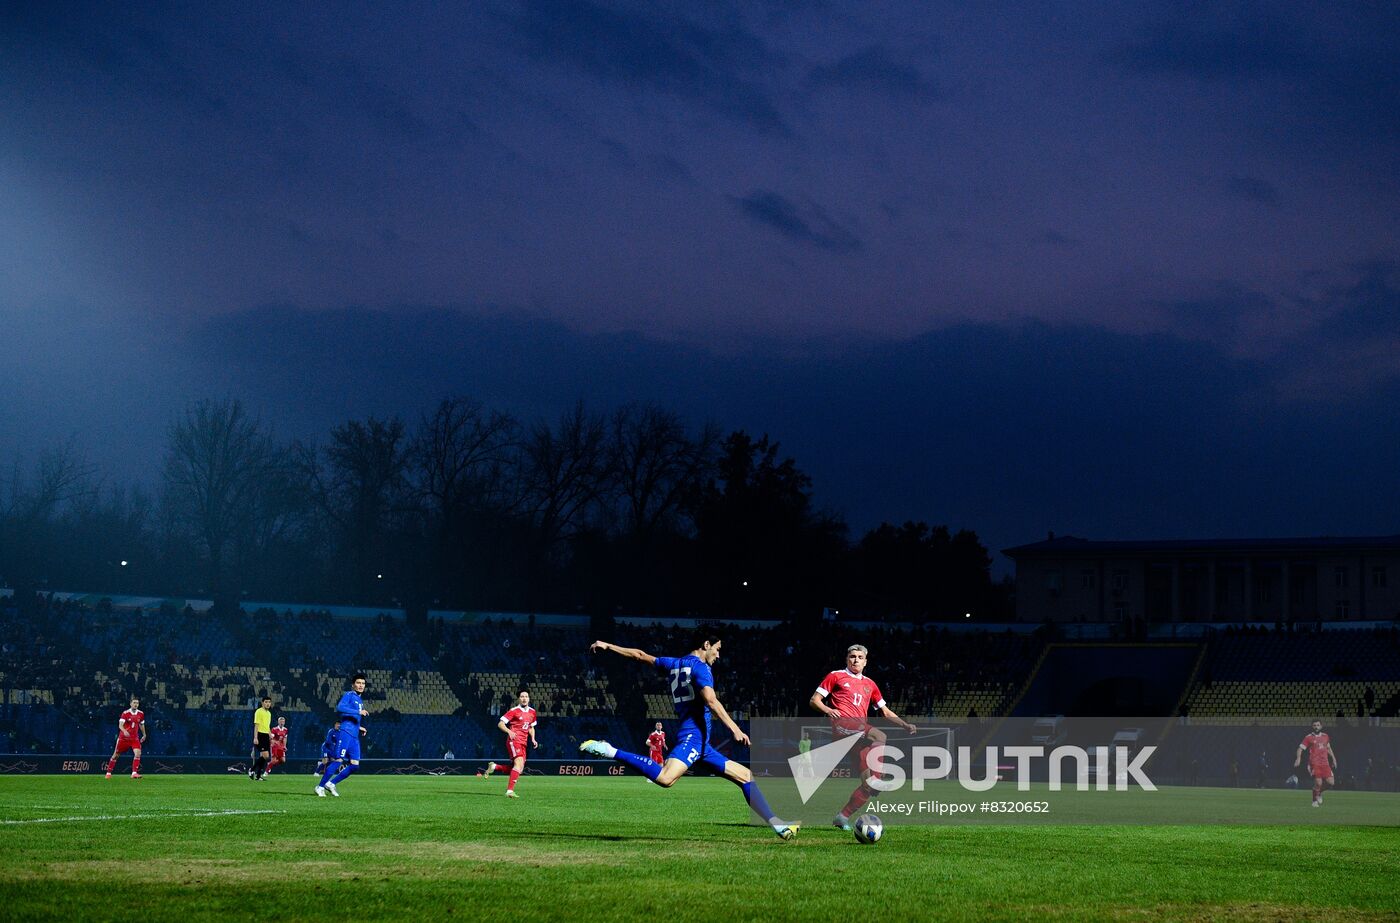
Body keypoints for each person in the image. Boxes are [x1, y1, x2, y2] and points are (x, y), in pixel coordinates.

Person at [579, 635, 798, 840]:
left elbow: (640, 655)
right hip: (693, 736)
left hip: (702, 743)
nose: (719, 655)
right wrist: (735, 729)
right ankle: (610, 750)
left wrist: (609, 646)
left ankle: (778, 825)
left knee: (746, 776)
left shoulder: (673, 663)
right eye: (718, 649)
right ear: (706, 645)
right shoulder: (701, 668)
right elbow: (711, 701)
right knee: (666, 778)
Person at [808, 643, 917, 830]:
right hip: (843, 725)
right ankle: (877, 777)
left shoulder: (870, 684)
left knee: (869, 787)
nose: (855, 660)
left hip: (859, 734)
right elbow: (814, 700)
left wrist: (905, 724)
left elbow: (885, 711)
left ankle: (842, 817)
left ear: (865, 662)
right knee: (879, 735)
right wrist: (828, 709)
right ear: (846, 659)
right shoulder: (836, 676)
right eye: (852, 656)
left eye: (859, 657)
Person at [316, 673, 369, 797]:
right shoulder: (349, 695)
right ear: (353, 685)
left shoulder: (359, 699)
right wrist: (358, 711)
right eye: (358, 683)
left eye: (363, 683)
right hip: (345, 733)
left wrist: (359, 727)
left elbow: (350, 717)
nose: (361, 685)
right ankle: (320, 786)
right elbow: (340, 707)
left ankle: (331, 784)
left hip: (354, 736)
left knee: (355, 766)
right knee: (338, 760)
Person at [483, 690, 537, 797]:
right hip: (514, 740)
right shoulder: (514, 711)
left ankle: (494, 767)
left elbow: (531, 727)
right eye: (522, 696)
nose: (524, 698)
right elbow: (500, 724)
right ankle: (509, 791)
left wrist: (533, 739)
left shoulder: (532, 712)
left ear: (529, 699)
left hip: (524, 742)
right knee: (519, 764)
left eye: (526, 696)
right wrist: (509, 731)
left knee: (518, 769)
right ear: (519, 699)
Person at [1293, 719, 1338, 807]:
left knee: (1331, 783)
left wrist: (1334, 759)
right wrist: (1298, 759)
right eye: (1314, 725)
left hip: (1325, 763)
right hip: (1314, 763)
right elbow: (1300, 749)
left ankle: (1319, 792)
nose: (1316, 727)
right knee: (1318, 783)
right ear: (1312, 726)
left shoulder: (1325, 736)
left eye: (1318, 725)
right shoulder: (1308, 737)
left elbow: (1328, 748)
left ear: (1321, 726)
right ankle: (1314, 801)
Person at [104, 696, 146, 780]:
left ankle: (134, 773)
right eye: (134, 703)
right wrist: (124, 731)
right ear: (130, 704)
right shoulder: (125, 713)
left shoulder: (141, 714)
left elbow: (141, 724)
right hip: (124, 739)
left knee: (138, 753)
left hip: (134, 738)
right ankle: (108, 773)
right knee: (116, 755)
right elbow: (120, 725)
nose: (136, 704)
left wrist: (144, 734)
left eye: (137, 703)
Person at [250, 696, 273, 781]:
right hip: (260, 735)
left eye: (269, 702)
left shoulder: (269, 713)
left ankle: (258, 775)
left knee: (264, 757)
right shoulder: (259, 711)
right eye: (266, 702)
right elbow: (256, 725)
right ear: (262, 703)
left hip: (266, 735)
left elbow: (267, 726)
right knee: (266, 756)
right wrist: (255, 737)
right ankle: (252, 770)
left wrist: (270, 734)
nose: (268, 704)